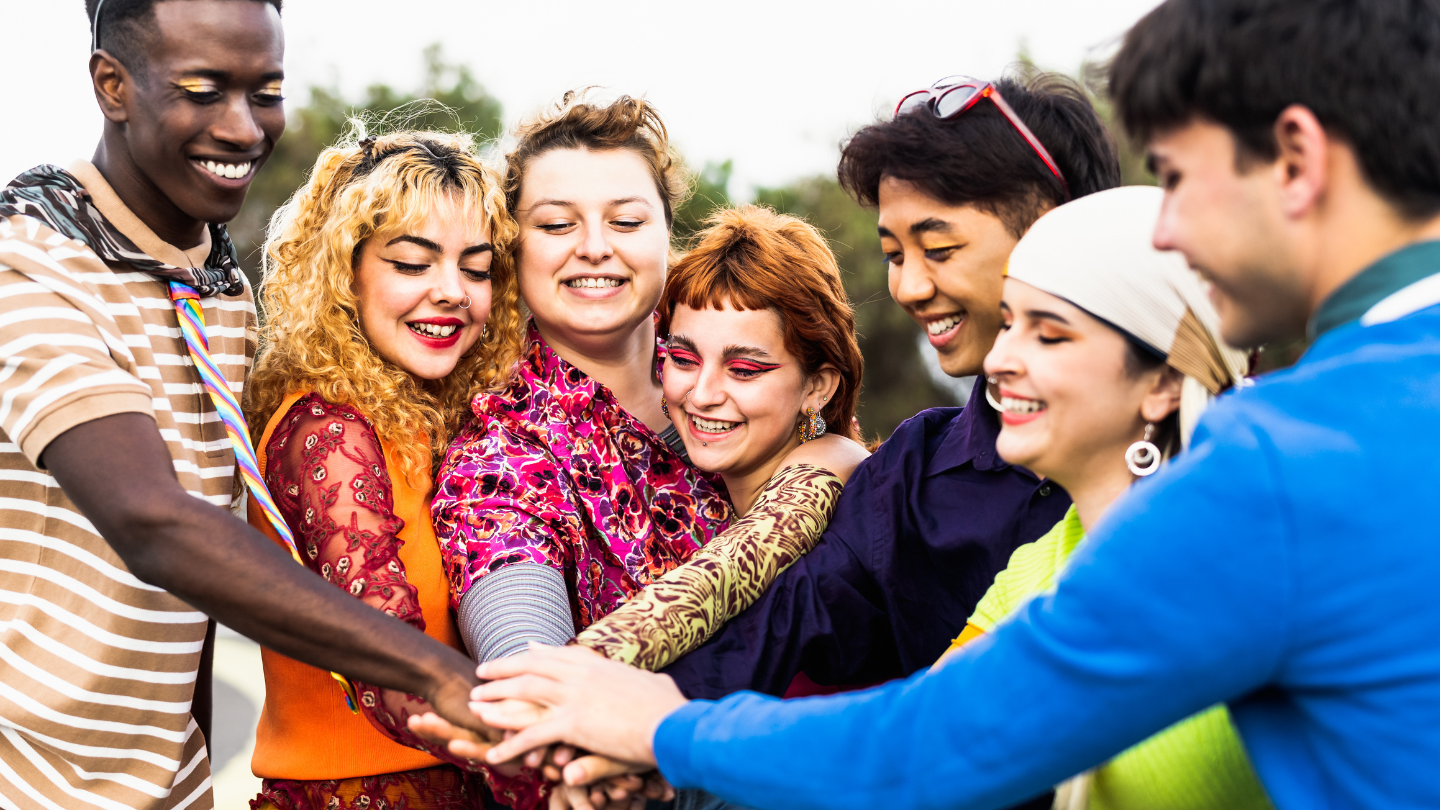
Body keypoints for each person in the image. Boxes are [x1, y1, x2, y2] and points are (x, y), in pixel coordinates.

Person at [457, 1, 1440, 808]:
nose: (1165, 225)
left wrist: (660, 729)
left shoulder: (1267, 461)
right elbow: (830, 640)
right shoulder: (952, 488)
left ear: (1300, 160)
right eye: (892, 253)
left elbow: (954, 739)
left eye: (1178, 178)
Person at [0, 3, 487, 809]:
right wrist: (435, 671)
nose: (242, 128)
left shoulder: (217, 289)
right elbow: (154, 525)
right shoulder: (29, 266)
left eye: (264, 91)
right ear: (111, 84)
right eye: (202, 89)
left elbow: (197, 597)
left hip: (171, 787)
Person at [428, 95, 862, 809]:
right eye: (556, 223)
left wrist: (830, 460)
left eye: (626, 221)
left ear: (668, 238)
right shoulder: (503, 453)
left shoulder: (736, 374)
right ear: (514, 246)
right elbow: (527, 663)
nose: (595, 246)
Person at [657, 72, 1118, 710]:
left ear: (1052, 230)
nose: (907, 288)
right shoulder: (909, 478)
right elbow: (780, 625)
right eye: (894, 255)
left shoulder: (1209, 437)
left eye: (938, 248)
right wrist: (625, 716)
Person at [943, 187, 1264, 810]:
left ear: (1165, 383)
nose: (1000, 358)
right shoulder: (1033, 570)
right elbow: (913, 745)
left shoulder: (1261, 559)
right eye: (1008, 323)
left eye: (1050, 335)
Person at [241, 129, 522, 810]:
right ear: (346, 273)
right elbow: (385, 656)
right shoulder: (327, 430)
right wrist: (553, 749)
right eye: (412, 263)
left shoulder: (438, 424)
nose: (452, 291)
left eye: (477, 269)